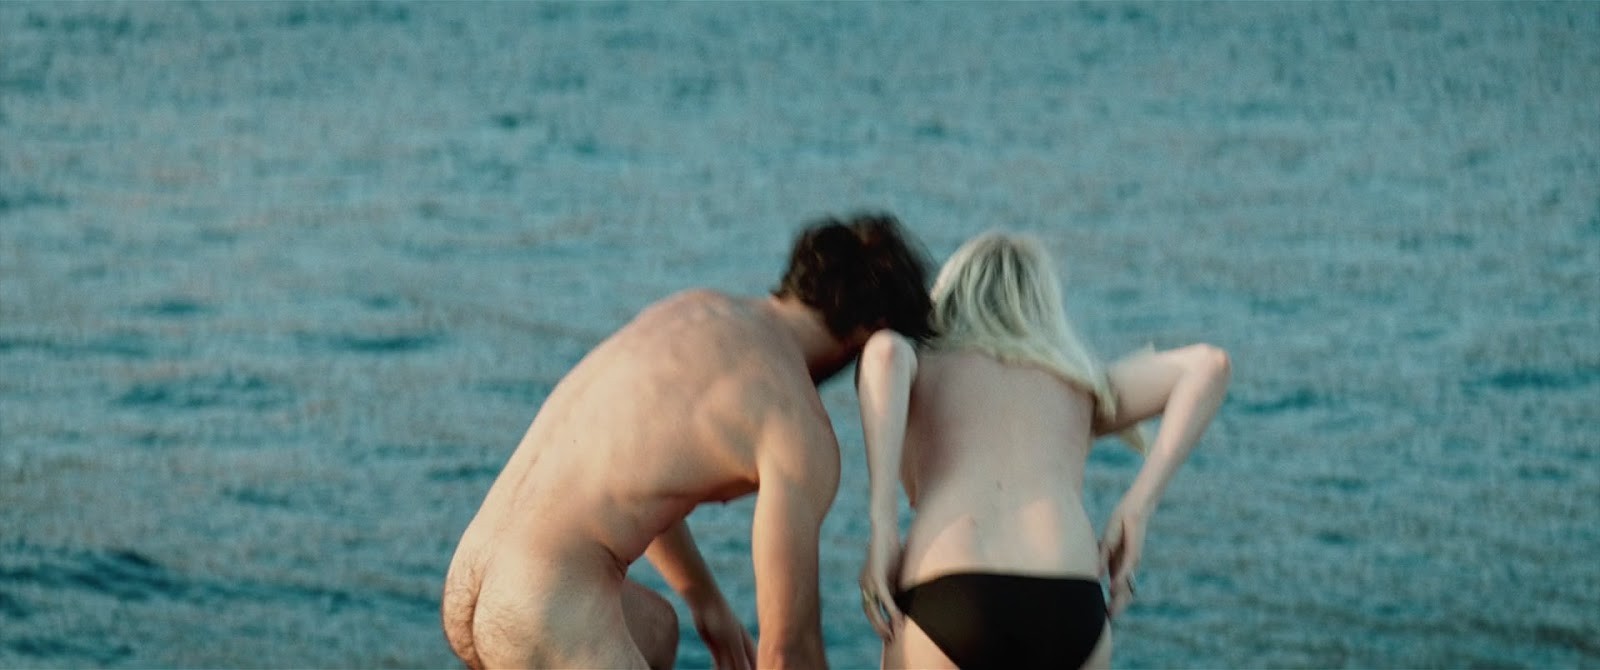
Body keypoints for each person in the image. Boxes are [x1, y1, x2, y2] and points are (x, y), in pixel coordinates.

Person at [441, 213, 936, 670]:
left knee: (656, 631)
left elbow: (636, 463)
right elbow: (788, 652)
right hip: (548, 606)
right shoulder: (798, 423)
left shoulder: (690, 309)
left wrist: (707, 603)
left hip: (477, 574)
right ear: (875, 334)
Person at [853, 231, 1231, 669]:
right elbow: (1209, 365)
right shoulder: (1080, 381)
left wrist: (883, 524)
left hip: (952, 591)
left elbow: (884, 354)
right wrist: (1136, 509)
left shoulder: (925, 361)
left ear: (952, 292)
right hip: (1070, 602)